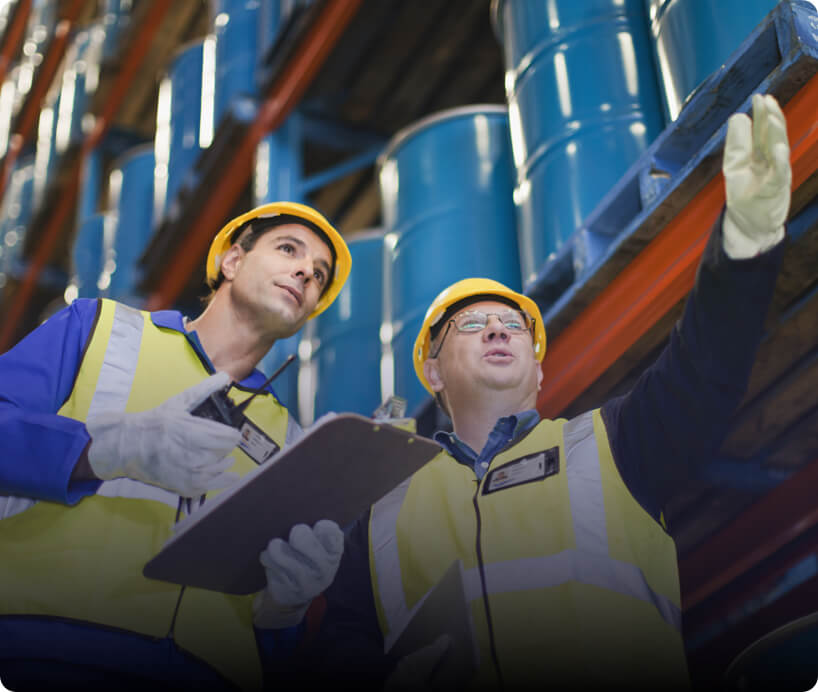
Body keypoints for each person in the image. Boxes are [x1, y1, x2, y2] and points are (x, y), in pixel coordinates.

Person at [256, 92, 793, 690]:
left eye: (514, 325)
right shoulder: (378, 513)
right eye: (471, 323)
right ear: (432, 373)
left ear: (538, 372)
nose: (496, 328)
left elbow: (705, 368)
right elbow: (339, 659)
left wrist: (742, 249)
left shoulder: (615, 444)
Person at [0, 201, 351, 691]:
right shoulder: (100, 330)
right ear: (231, 260)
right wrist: (105, 449)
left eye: (318, 274)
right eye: (288, 249)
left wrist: (284, 612)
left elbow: (274, 653)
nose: (304, 272)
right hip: (48, 655)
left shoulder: (290, 441)